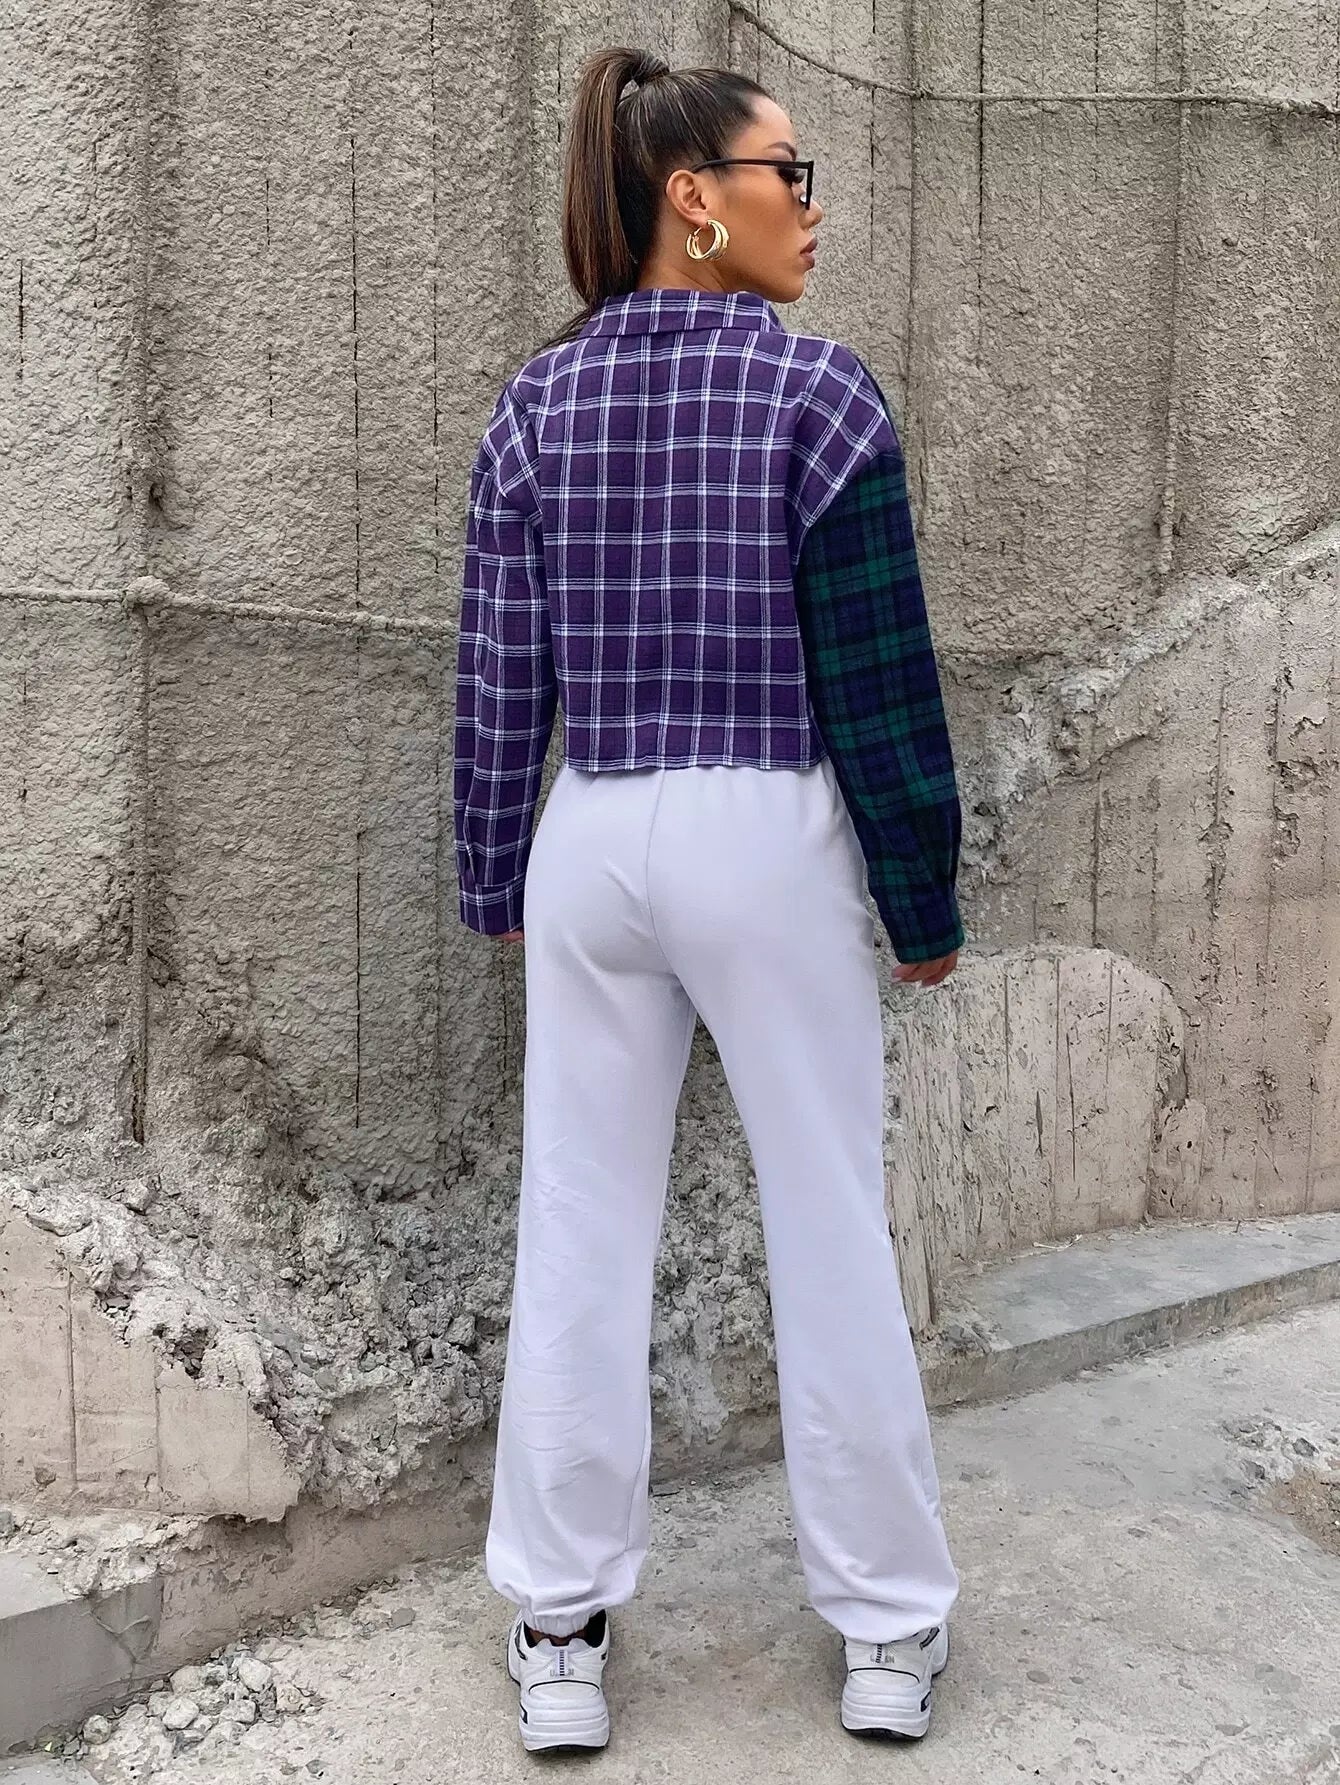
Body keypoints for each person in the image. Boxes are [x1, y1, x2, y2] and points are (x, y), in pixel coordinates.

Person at [452, 43, 964, 1755]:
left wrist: (492, 865)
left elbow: (499, 676)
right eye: (788, 175)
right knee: (827, 1219)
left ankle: (558, 1627)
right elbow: (880, 684)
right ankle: (886, 1624)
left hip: (591, 836)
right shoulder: (822, 401)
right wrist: (922, 896)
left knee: (580, 1226)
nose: (811, 209)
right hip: (763, 827)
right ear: (696, 199)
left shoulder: (536, 406)